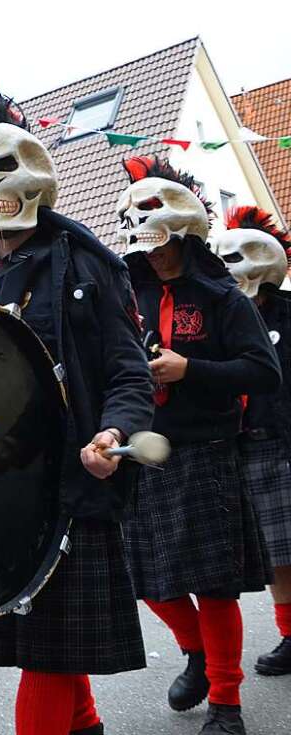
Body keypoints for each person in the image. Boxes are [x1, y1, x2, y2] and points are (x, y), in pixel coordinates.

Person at [0, 90, 154, 735]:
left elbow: (127, 371)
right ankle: (85, 726)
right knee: (49, 645)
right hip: (2, 483)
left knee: (46, 654)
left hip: (71, 478)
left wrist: (112, 432)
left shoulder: (90, 266)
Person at [120, 158, 278, 735]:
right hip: (142, 453)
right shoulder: (125, 290)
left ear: (185, 236)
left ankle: (227, 703)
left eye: (160, 244)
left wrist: (191, 369)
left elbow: (263, 373)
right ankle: (196, 653)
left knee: (213, 587)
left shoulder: (222, 296)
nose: (151, 255)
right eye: (144, 245)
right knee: (146, 580)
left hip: (207, 452)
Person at [214, 206, 291, 676]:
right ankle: (290, 634)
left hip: (284, 441)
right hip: (243, 447)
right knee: (275, 555)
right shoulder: (221, 315)